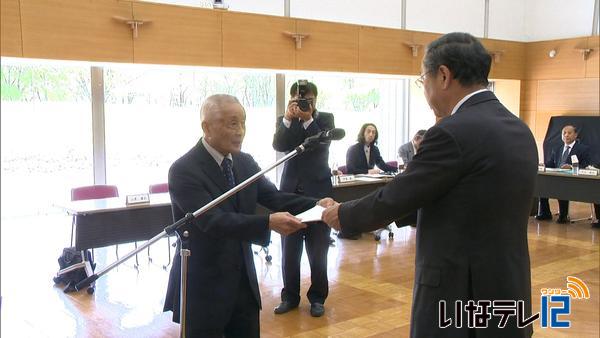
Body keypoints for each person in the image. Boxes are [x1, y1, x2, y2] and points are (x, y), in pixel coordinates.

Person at [322, 32, 538, 337]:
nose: (424, 88)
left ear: (444, 76)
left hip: (458, 295)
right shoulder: (520, 129)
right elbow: (464, 196)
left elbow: (399, 196)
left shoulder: (452, 132)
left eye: (423, 79)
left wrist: (342, 214)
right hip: (507, 288)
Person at [163, 94, 335, 337]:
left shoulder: (244, 163)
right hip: (203, 285)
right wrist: (268, 223)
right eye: (232, 123)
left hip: (243, 281)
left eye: (243, 123)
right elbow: (212, 220)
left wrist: (316, 204)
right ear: (206, 127)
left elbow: (274, 198)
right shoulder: (183, 170)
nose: (240, 131)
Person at [272, 81, 334, 317]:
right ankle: (289, 297)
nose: (303, 103)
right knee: (289, 252)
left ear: (315, 99)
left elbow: (322, 144)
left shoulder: (325, 120)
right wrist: (288, 119)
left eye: (307, 99)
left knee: (318, 252)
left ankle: (317, 298)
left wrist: (308, 119)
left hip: (318, 194)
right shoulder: (285, 120)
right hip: (289, 195)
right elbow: (279, 144)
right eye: (299, 99)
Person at [535, 124, 591, 223]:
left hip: (572, 180)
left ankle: (563, 215)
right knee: (542, 185)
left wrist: (571, 167)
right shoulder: (557, 149)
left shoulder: (583, 149)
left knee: (562, 186)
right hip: (556, 177)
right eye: (564, 133)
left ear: (575, 135)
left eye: (569, 133)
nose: (566, 135)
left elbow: (586, 165)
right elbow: (551, 164)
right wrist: (543, 165)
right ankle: (545, 213)